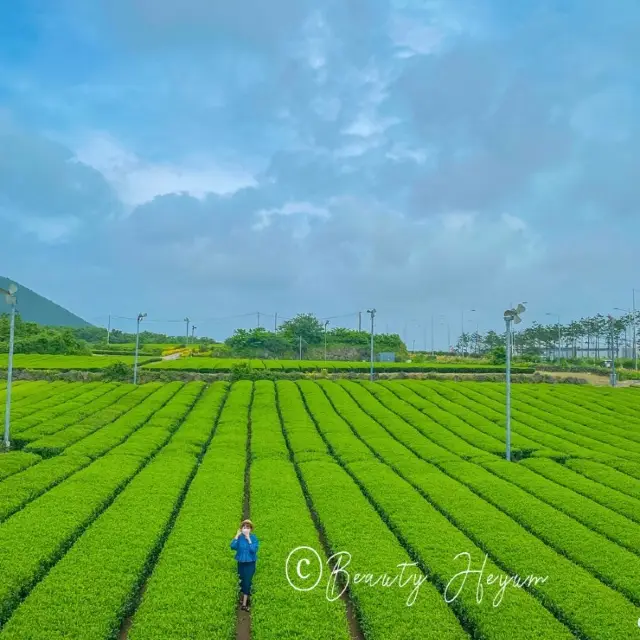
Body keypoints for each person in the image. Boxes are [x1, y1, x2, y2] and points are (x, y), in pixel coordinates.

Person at [230, 519, 259, 611]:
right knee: (242, 580)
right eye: (244, 527)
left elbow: (253, 550)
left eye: (248, 527)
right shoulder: (239, 538)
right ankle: (244, 598)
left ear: (250, 529)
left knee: (247, 581)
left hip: (250, 563)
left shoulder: (253, 538)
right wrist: (237, 535)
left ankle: (244, 603)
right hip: (241, 562)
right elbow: (232, 546)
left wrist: (249, 539)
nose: (246, 528)